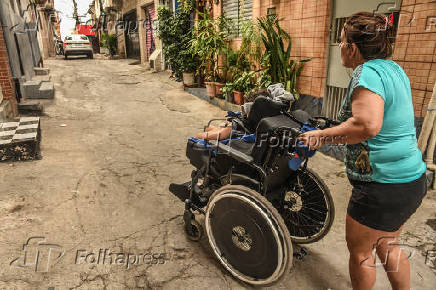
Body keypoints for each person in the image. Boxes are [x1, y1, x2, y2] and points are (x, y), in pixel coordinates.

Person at [299, 12, 427, 290]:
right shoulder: (395, 69)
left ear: (352, 48)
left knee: (361, 253)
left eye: (342, 40)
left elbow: (367, 124)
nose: (341, 45)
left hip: (382, 186)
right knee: (388, 244)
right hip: (411, 180)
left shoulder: (365, 72)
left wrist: (321, 136)